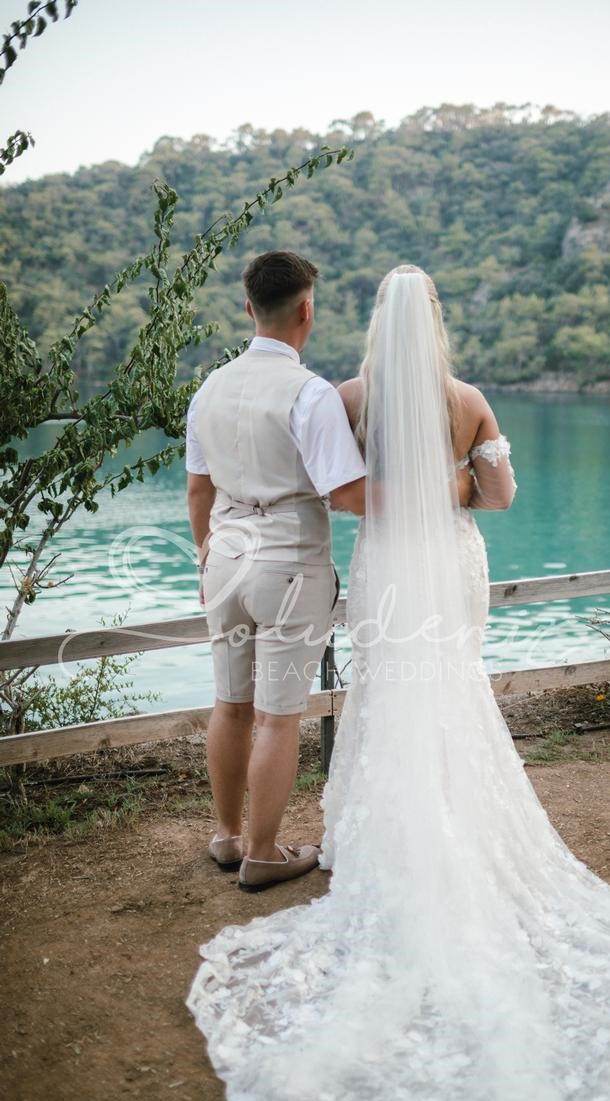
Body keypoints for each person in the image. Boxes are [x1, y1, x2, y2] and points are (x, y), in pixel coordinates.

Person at [187, 265, 610, 1101]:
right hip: (447, 565)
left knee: (384, 689)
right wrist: (452, 488)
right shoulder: (467, 400)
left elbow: (332, 487)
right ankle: (451, 823)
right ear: (435, 323)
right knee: (449, 687)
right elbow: (501, 497)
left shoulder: (343, 398)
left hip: (381, 566)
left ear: (374, 325)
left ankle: (354, 833)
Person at [185, 250, 366, 892]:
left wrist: (207, 556)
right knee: (279, 716)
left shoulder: (208, 388)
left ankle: (227, 836)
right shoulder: (310, 393)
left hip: (224, 560)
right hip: (288, 566)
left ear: (248, 308)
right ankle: (262, 853)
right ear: (306, 310)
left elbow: (198, 491)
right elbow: (347, 494)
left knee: (231, 703)